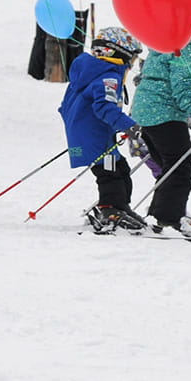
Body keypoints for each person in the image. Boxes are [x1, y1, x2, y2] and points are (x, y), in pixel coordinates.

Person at [132, 0, 191, 238]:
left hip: (145, 112)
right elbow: (183, 85)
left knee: (171, 167)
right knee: (181, 165)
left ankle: (160, 218)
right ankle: (169, 219)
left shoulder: (166, 40)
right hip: (163, 113)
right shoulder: (188, 46)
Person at [62, 26, 148, 234]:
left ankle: (120, 207)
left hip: (90, 138)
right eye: (132, 59)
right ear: (118, 54)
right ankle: (109, 210)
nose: (132, 65)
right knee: (110, 174)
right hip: (94, 140)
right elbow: (104, 108)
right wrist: (130, 125)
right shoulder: (108, 77)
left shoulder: (91, 73)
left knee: (121, 170)